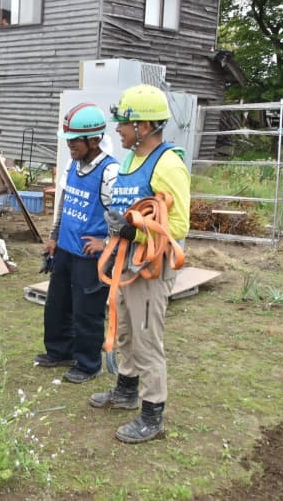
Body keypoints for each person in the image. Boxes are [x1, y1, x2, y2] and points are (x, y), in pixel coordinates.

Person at [88, 84, 190, 443]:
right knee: (127, 328)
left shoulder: (169, 163)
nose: (117, 128)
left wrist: (136, 234)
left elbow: (178, 226)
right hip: (127, 260)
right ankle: (126, 391)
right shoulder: (132, 159)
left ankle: (152, 413)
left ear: (144, 127)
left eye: (123, 123)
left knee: (147, 337)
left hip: (150, 264)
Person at [34, 103, 118, 385]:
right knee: (57, 305)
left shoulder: (110, 172)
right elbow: (65, 202)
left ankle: (88, 364)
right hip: (66, 250)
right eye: (68, 140)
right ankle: (60, 351)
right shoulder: (72, 164)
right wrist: (54, 237)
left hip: (89, 256)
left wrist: (105, 241)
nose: (70, 145)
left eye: (74, 141)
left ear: (94, 140)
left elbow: (121, 217)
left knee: (87, 310)